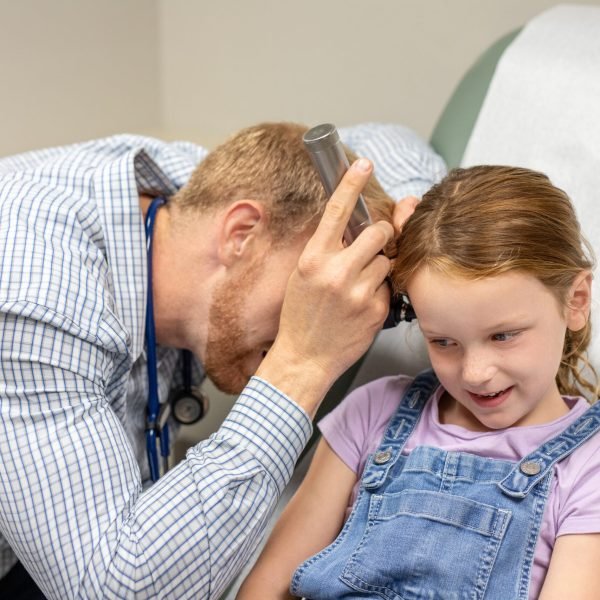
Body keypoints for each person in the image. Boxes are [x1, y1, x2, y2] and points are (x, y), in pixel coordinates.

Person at [0, 122, 445, 599]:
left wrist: (408, 230)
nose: (332, 310)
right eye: (311, 285)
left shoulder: (200, 190)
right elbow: (113, 590)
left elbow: (388, 140)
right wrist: (304, 361)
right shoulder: (33, 302)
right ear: (242, 233)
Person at [238, 165, 600, 599]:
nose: (474, 373)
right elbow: (265, 590)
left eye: (503, 335)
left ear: (576, 300)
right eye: (443, 341)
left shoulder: (588, 466)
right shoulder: (373, 411)